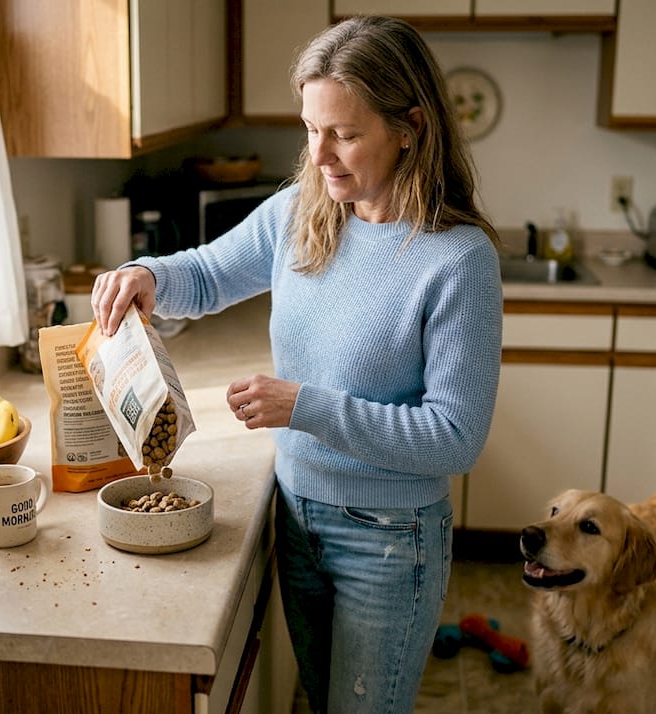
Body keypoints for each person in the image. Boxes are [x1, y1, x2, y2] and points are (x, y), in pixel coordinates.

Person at [91, 15, 502, 714]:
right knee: (320, 699)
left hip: (391, 541)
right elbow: (210, 273)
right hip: (297, 514)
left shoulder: (458, 261)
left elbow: (454, 438)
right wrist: (147, 273)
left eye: (344, 133)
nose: (320, 155)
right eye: (312, 129)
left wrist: (303, 405)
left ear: (411, 126)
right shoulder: (301, 211)